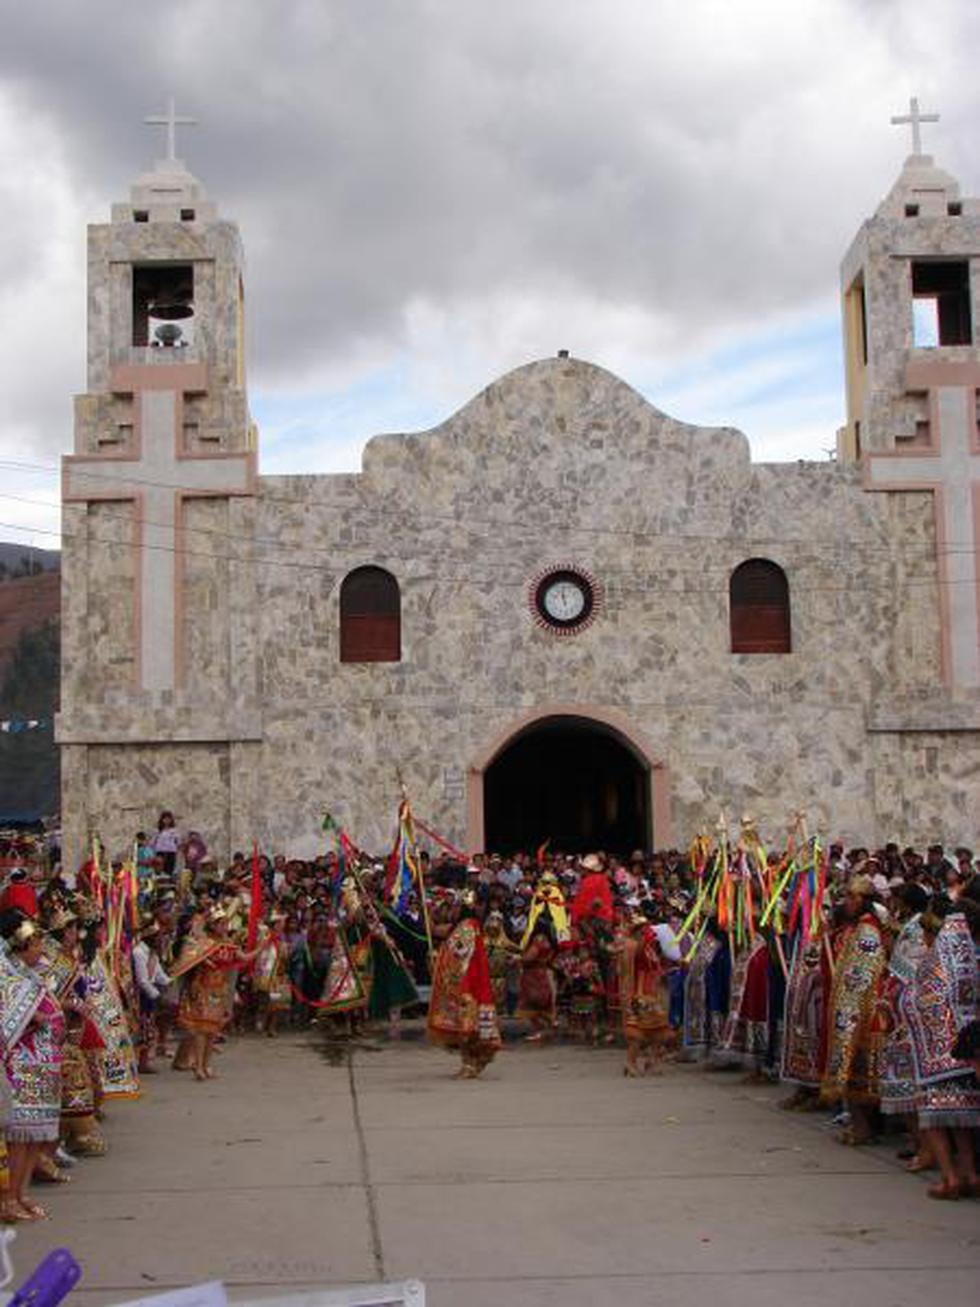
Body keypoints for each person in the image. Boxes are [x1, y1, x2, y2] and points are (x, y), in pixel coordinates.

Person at [906, 891, 980, 1199]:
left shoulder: (938, 956)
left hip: (937, 1052)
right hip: (965, 1049)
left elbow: (917, 997)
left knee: (935, 1118)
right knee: (961, 1118)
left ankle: (950, 1178)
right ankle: (971, 1174)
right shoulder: (969, 955)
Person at [0, 912, 65, 1222]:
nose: (41, 949)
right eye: (36, 943)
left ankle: (22, 1194)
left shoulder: (32, 975)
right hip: (22, 1063)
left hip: (42, 1062)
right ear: (21, 944)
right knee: (19, 1136)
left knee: (35, 1136)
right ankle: (9, 1198)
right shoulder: (6, 976)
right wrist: (34, 1018)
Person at [820, 875, 887, 1144]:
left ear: (864, 901)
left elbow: (862, 974)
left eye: (853, 897)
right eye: (847, 896)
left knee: (857, 1074)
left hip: (861, 1012)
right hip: (852, 1010)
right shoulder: (857, 928)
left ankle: (863, 1128)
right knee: (852, 1073)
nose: (847, 902)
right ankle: (861, 1126)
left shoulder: (868, 931)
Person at [172, 907, 258, 1081]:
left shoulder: (228, 944)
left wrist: (263, 944)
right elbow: (187, 961)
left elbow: (245, 958)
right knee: (200, 1030)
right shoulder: (202, 942)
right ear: (214, 925)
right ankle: (198, 1067)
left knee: (212, 1030)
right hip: (201, 988)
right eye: (222, 923)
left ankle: (206, 1065)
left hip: (219, 990)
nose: (225, 926)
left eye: (226, 923)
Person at [427, 894, 501, 1079]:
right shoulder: (470, 926)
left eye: (456, 907)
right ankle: (474, 1064)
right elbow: (439, 932)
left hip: (468, 986)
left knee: (466, 1030)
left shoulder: (466, 927)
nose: (453, 911)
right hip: (475, 984)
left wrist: (439, 955)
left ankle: (469, 1065)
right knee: (473, 1029)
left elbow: (457, 953)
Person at [618, 913, 670, 1076]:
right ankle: (630, 1063)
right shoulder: (632, 946)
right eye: (642, 928)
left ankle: (652, 1062)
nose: (645, 930)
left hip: (652, 992)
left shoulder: (649, 948)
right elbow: (631, 965)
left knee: (657, 1032)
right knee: (637, 1034)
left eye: (646, 927)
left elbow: (655, 968)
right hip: (639, 993)